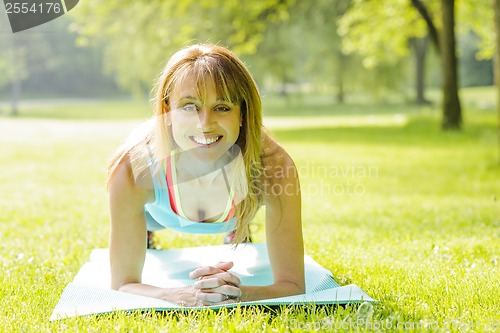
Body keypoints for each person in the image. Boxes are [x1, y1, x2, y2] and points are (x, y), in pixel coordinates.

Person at [107, 44, 304, 306]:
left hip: (236, 208)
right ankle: (147, 234)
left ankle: (239, 228)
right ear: (167, 112)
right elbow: (122, 284)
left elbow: (292, 284)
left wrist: (238, 292)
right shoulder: (133, 169)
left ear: (243, 114)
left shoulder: (274, 167)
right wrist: (178, 294)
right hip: (158, 214)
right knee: (149, 223)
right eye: (189, 107)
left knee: (243, 205)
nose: (205, 123)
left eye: (222, 107)